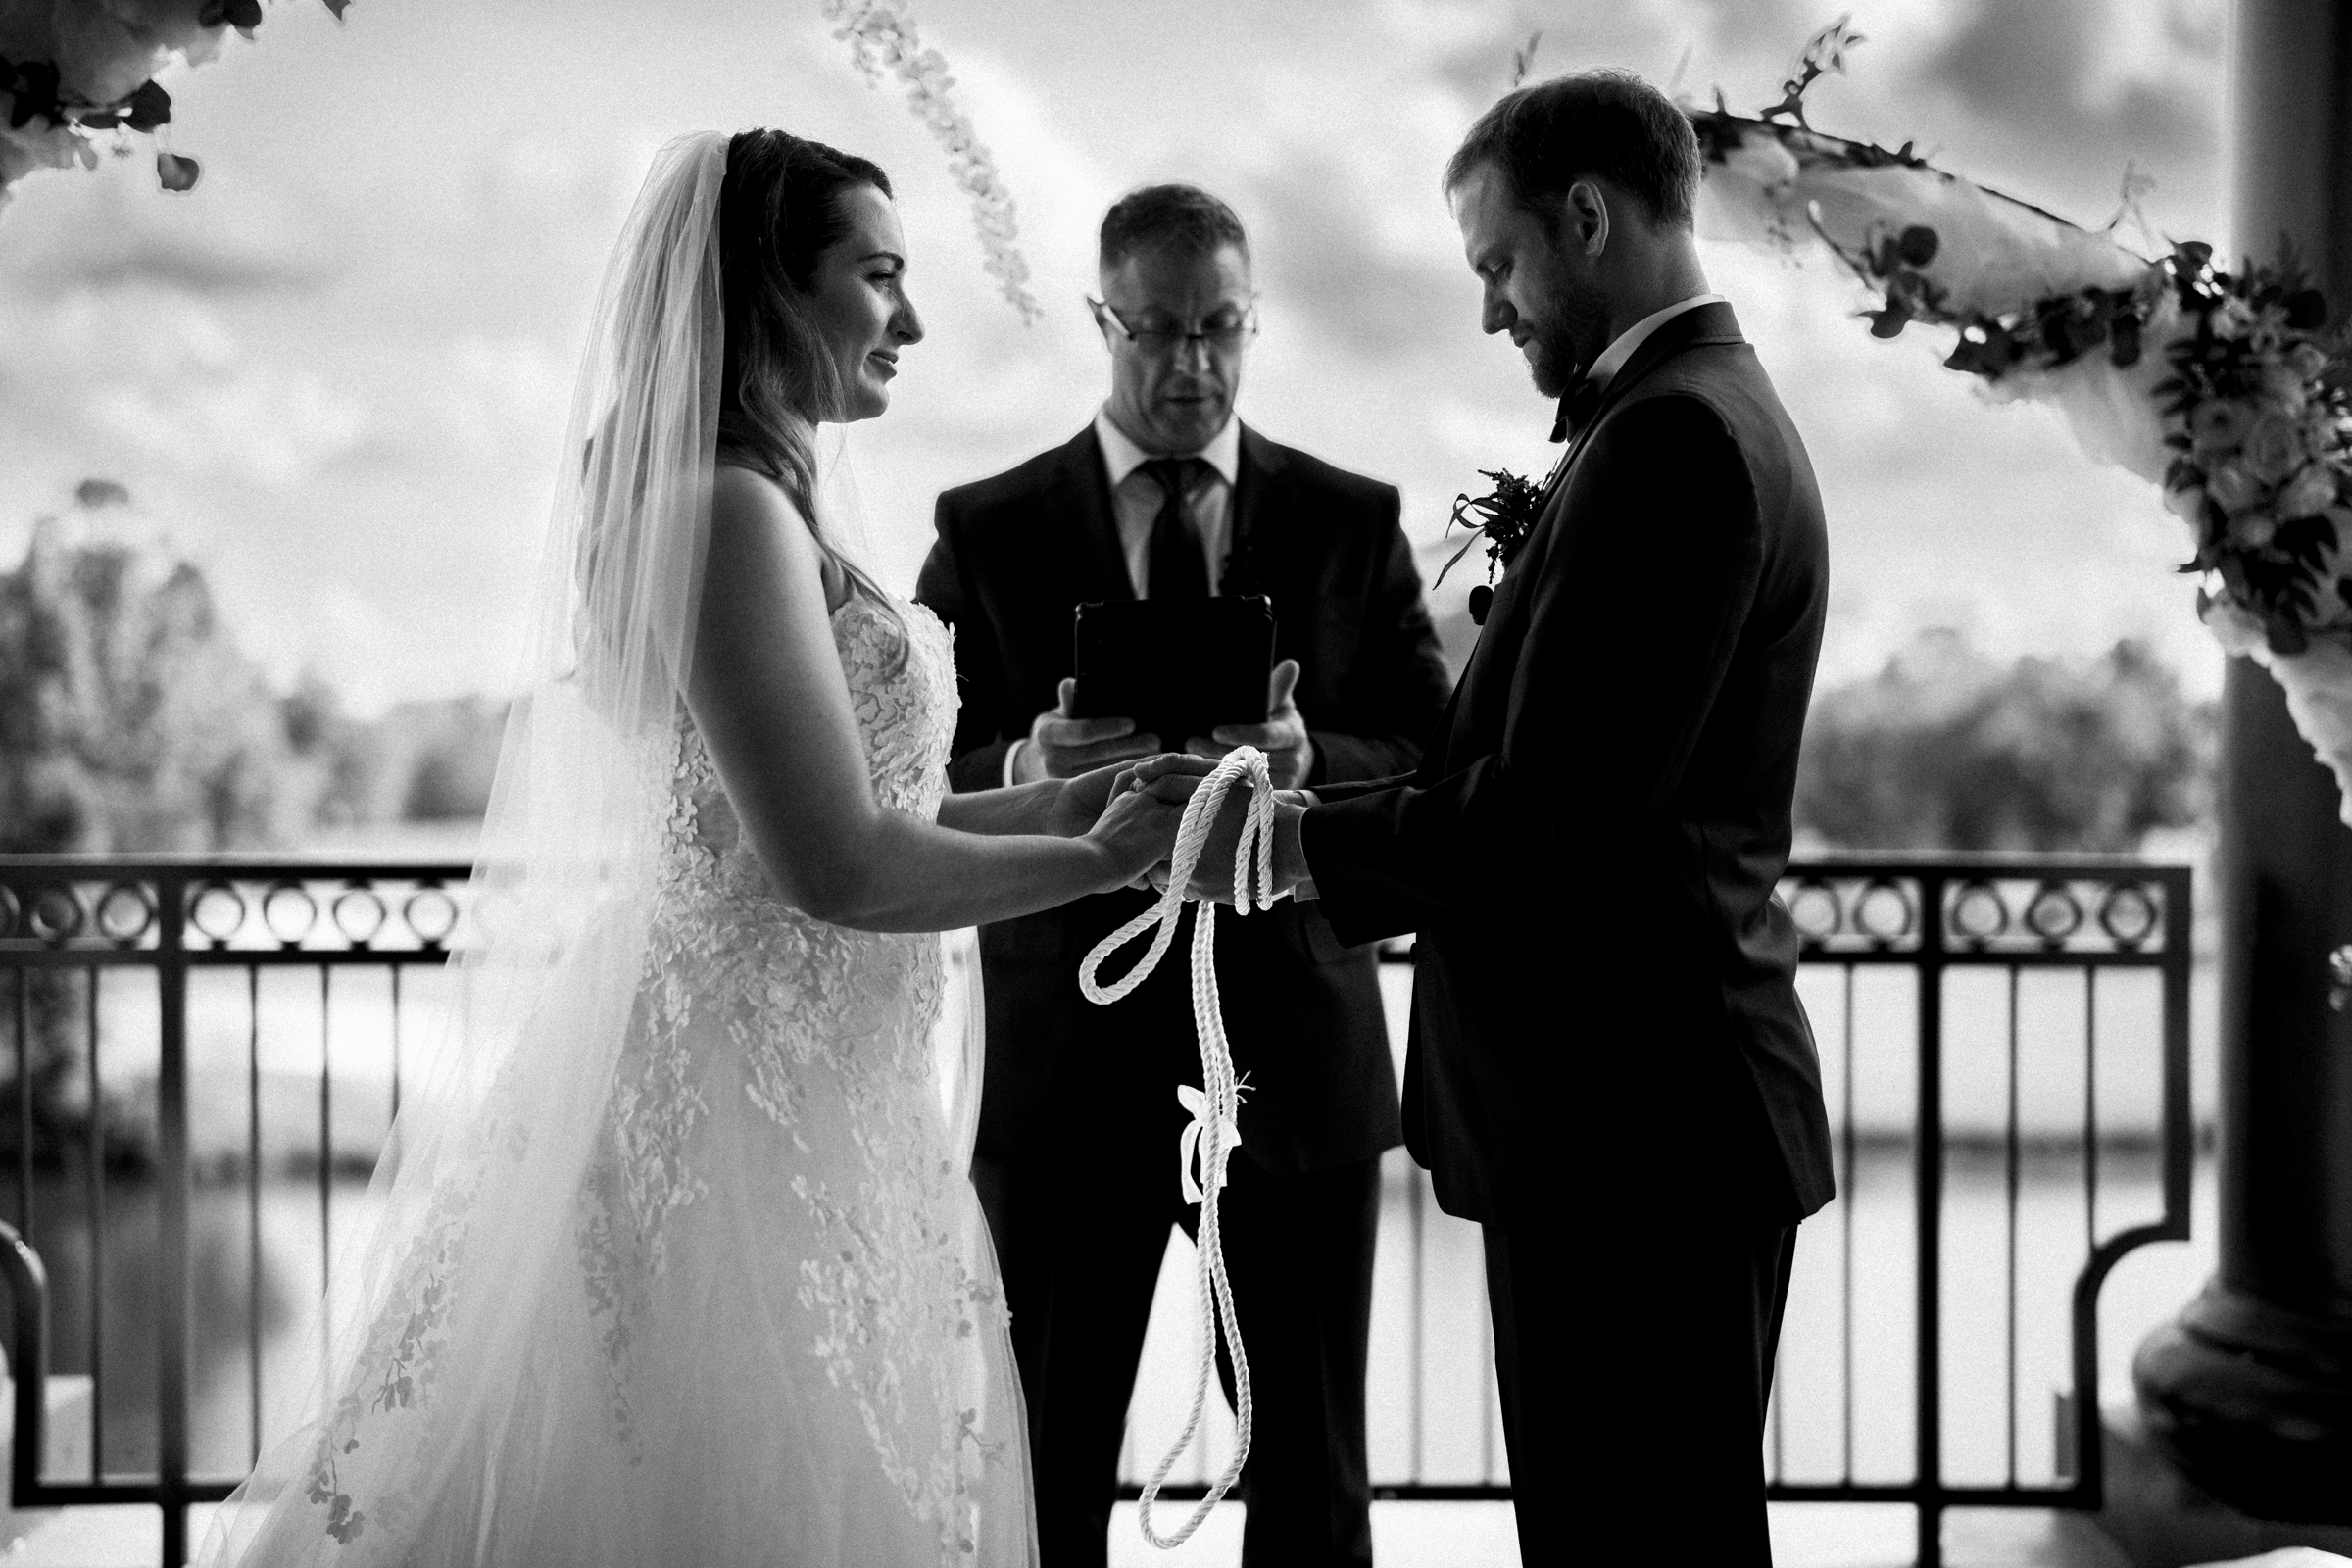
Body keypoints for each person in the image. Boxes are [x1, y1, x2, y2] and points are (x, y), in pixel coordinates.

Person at [197, 129, 1181, 1568]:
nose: (910, 322)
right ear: (771, 296)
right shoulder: (723, 510)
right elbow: (835, 865)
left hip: (824, 1101)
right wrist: (1108, 865)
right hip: (734, 1115)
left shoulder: (768, 501)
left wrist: (1075, 809)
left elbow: (858, 806)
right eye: (879, 278)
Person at [1156, 71, 1838, 1564]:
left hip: (1634, 1137)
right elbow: (1547, 774)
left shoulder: (1675, 443)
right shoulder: (1685, 418)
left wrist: (1273, 845)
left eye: (1495, 265)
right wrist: (1312, 791)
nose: (1488, 313)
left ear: (1588, 216)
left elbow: (1552, 824)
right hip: (1627, 1128)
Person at [916, 184, 1451, 1568]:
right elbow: (908, 768)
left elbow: (1434, 750)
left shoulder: (1352, 517)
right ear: (1105, 319)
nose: (1189, 365)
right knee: (1034, 1472)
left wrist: (1306, 750)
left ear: (1253, 320)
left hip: (1299, 1066)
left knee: (1315, 1482)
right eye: (1155, 329)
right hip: (1060, 1066)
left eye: (1219, 327)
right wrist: (1022, 754)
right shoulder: (987, 528)